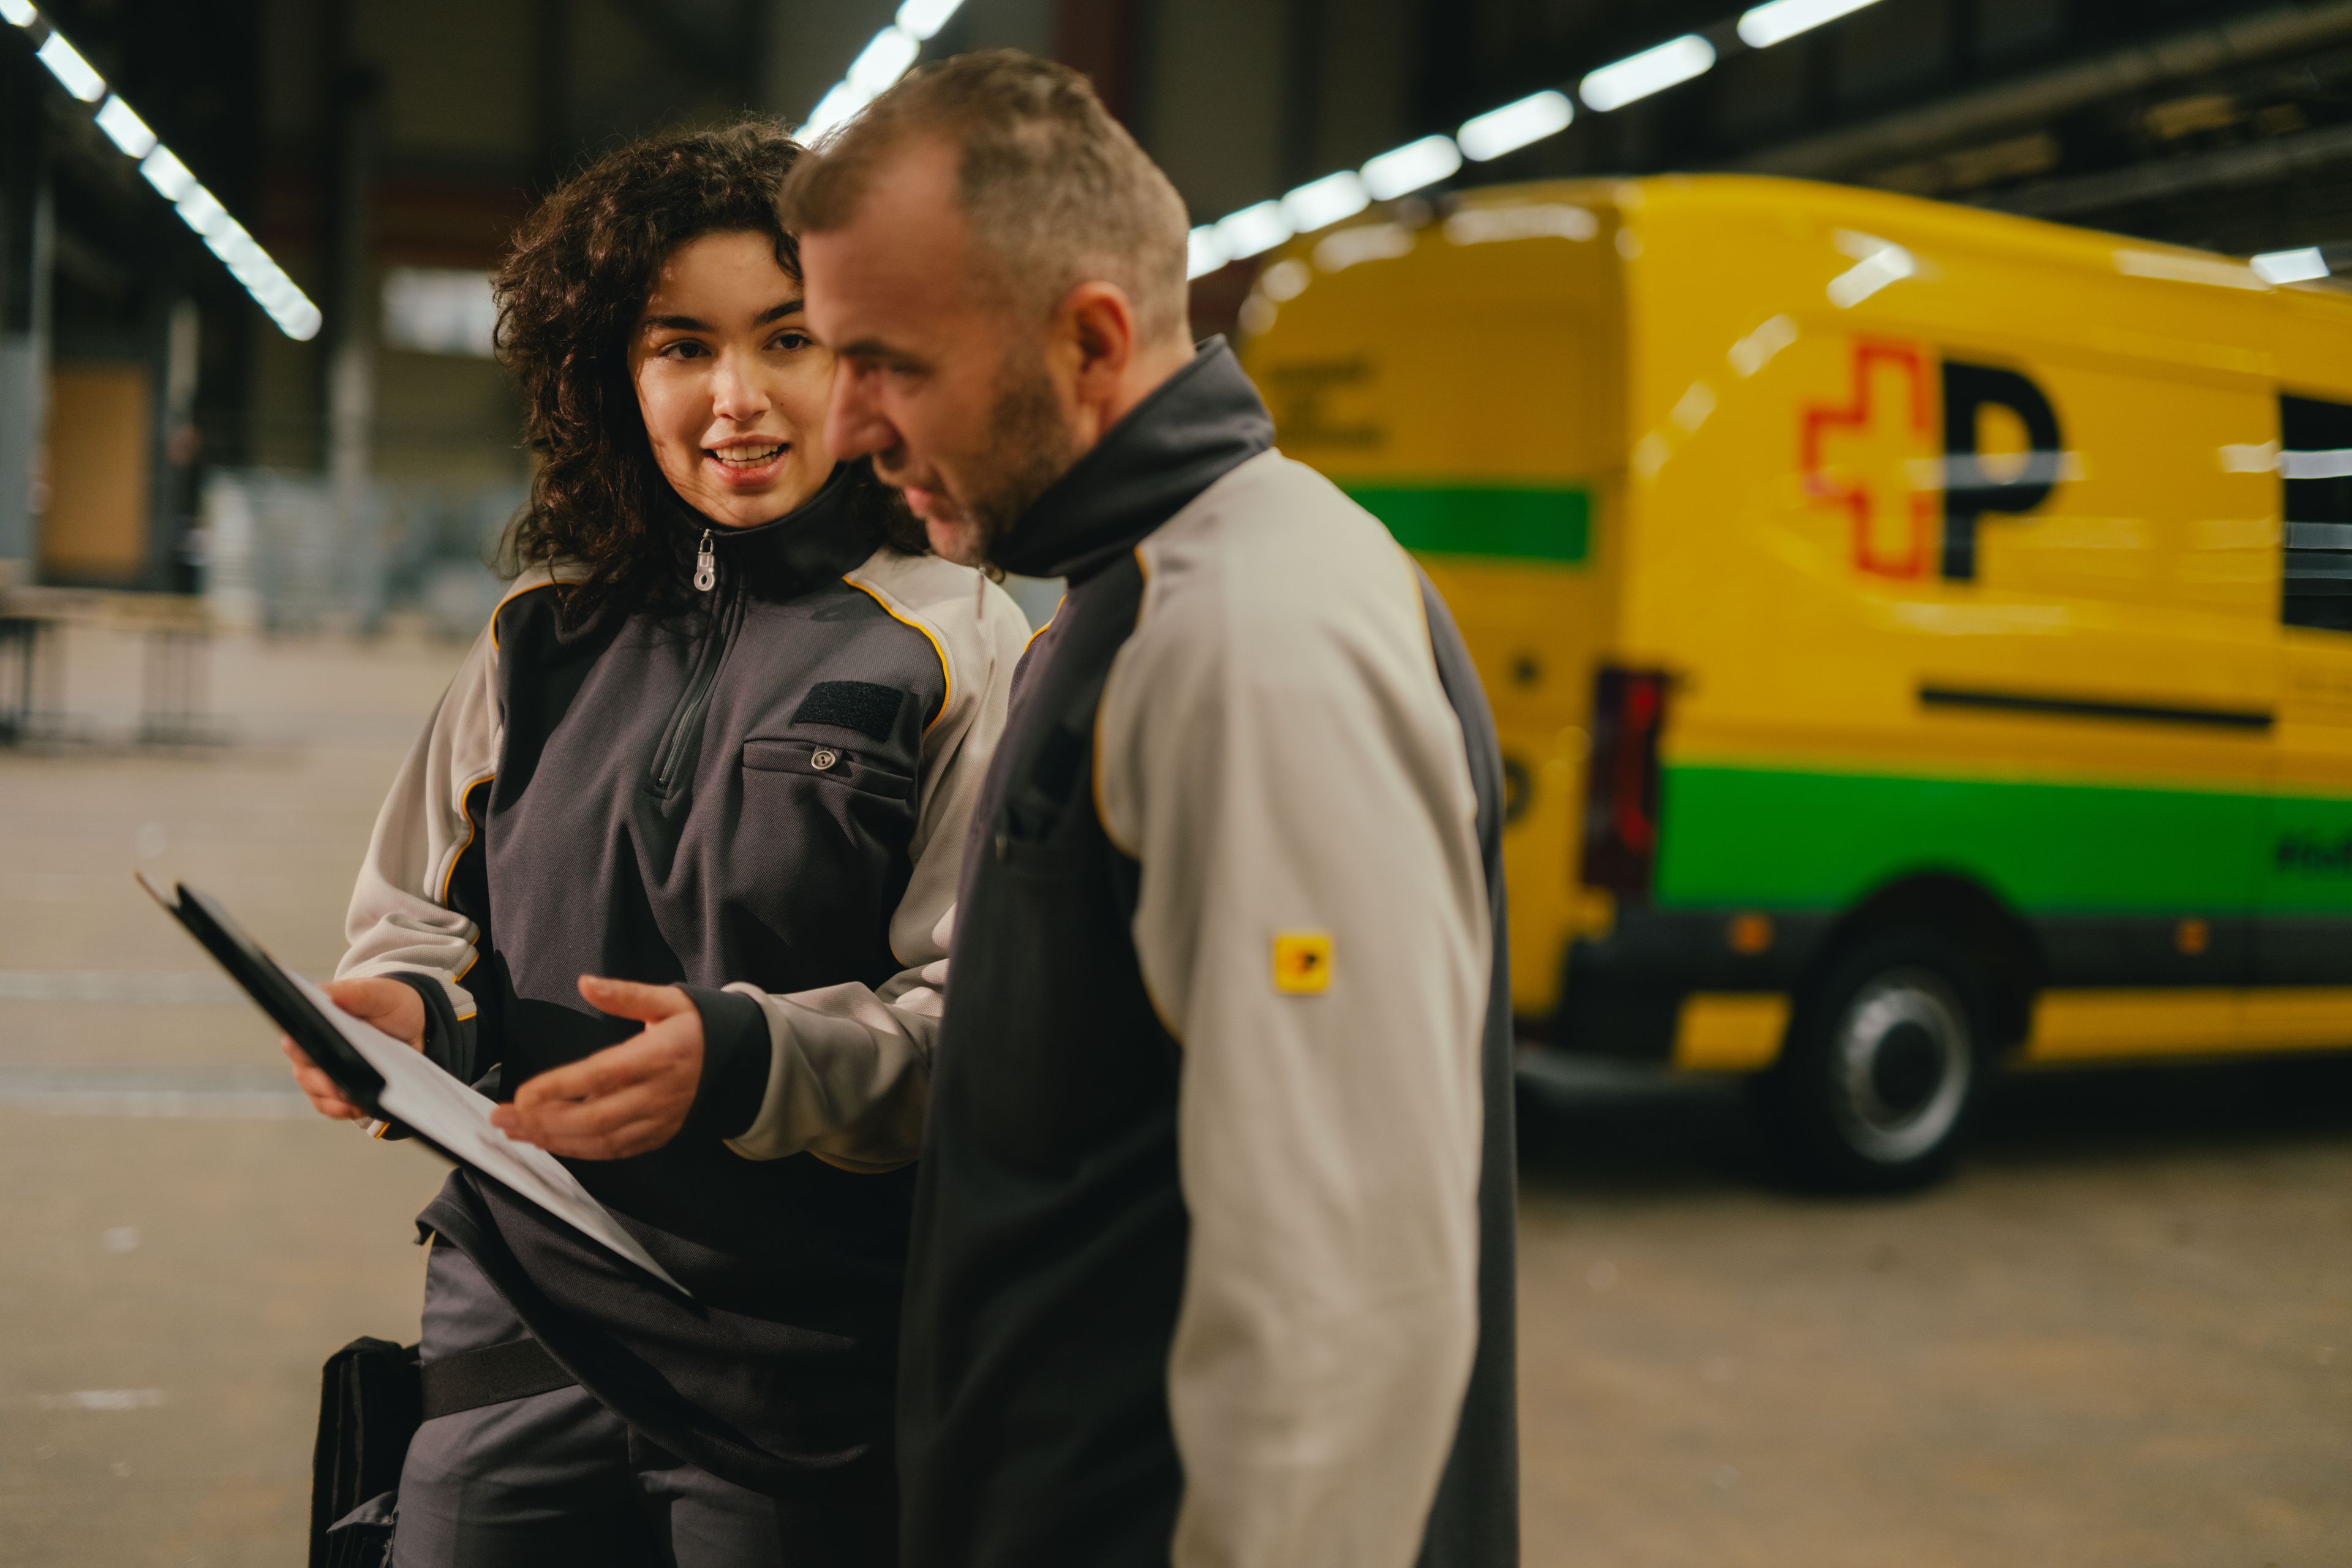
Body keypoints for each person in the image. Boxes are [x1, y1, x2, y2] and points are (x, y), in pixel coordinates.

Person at [771, 51, 1521, 1568]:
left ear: (1092, 340)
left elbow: (1341, 1305)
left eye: (890, 363)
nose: (845, 423)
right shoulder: (1118, 605)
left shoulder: (1254, 638)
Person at [279, 119, 1029, 1567]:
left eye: (787, 340)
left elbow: (982, 1030)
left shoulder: (960, 638)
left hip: (795, 1376)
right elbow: (422, 934)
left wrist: (739, 1058)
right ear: (613, 374)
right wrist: (400, 1018)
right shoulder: (537, 641)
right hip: (517, 1325)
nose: (734, 398)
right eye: (682, 346)